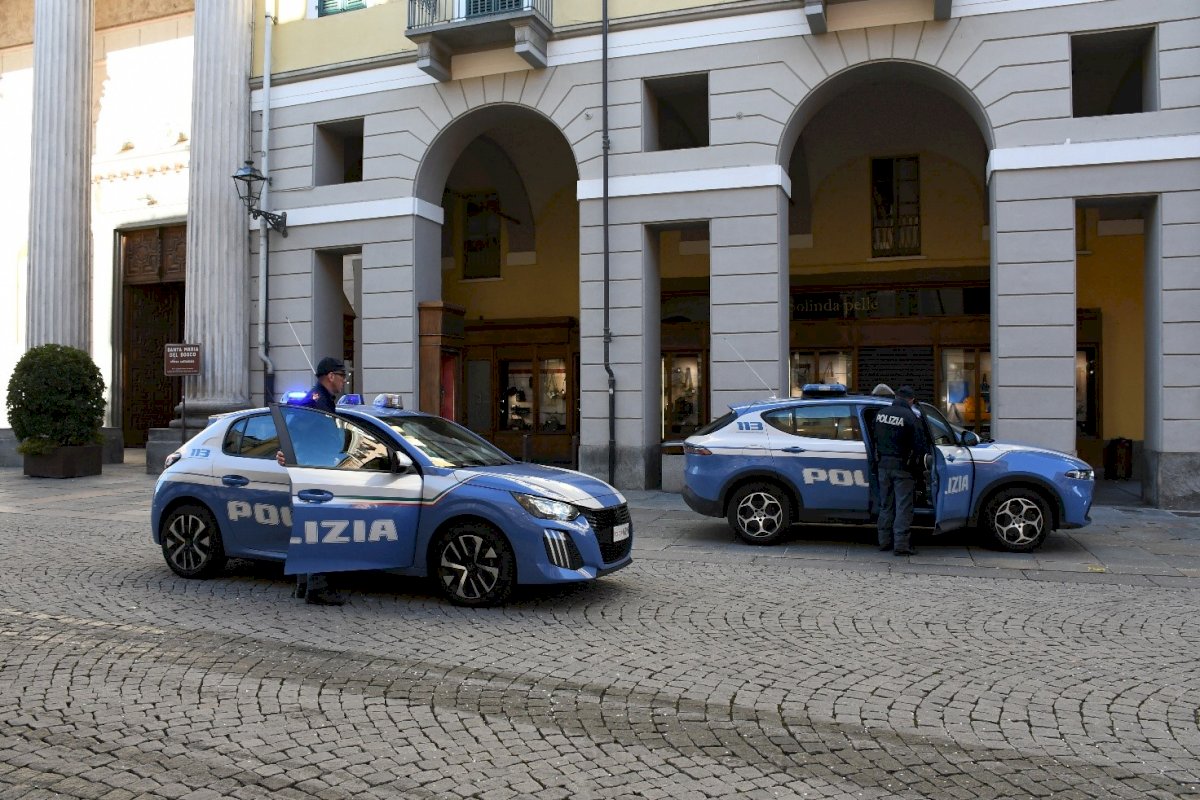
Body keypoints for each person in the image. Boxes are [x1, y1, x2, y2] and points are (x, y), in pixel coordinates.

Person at [277, 356, 348, 605]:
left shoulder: (321, 400)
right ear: (331, 376)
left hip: (310, 472)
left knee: (307, 529)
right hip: (314, 474)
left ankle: (304, 585)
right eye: (342, 376)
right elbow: (296, 432)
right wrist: (287, 453)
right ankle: (318, 587)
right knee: (319, 528)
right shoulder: (317, 403)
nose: (344, 381)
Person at [872, 384, 926, 556]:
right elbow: (920, 446)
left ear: (896, 397)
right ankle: (901, 545)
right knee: (903, 506)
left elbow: (874, 438)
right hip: (903, 468)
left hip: (883, 466)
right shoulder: (911, 416)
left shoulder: (880, 414)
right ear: (911, 400)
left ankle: (884, 541)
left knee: (885, 505)